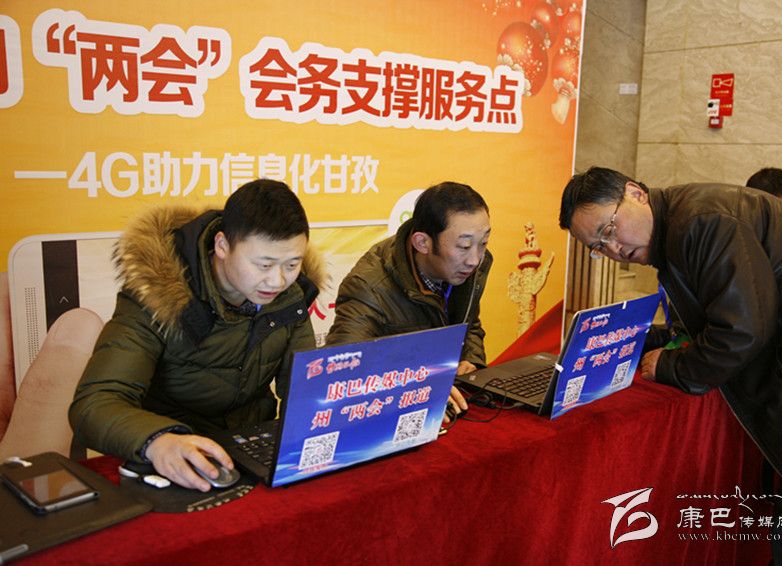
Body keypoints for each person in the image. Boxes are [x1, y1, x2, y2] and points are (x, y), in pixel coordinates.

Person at [559, 166, 782, 564]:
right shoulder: (682, 226)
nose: (613, 248)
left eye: (609, 229)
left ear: (636, 193)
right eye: (598, 246)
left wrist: (671, 367)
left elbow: (741, 331)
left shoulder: (702, 220)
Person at [69, 179, 323, 492]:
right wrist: (158, 441)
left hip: (252, 453)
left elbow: (306, 388)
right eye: (264, 264)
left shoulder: (290, 297)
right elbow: (94, 404)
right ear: (222, 246)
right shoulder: (158, 296)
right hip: (178, 461)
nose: (277, 280)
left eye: (292, 264)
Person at [326, 181, 492, 421]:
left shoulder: (464, 269)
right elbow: (343, 370)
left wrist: (471, 360)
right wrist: (418, 388)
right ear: (423, 243)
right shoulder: (369, 286)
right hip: (389, 414)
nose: (475, 259)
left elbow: (470, 324)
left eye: (483, 243)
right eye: (464, 246)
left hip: (447, 406)